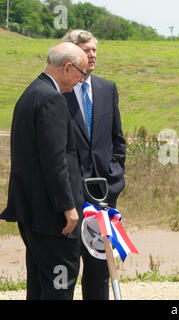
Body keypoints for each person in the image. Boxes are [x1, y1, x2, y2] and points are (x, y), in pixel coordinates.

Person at [0, 43, 88, 300]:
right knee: (60, 282)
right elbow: (55, 160)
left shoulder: (31, 93)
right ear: (68, 67)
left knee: (40, 283)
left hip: (32, 212)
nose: (81, 81)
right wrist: (67, 207)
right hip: (53, 218)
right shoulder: (52, 99)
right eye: (81, 74)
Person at [62, 29, 126, 300]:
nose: (91, 55)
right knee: (65, 269)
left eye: (94, 50)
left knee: (100, 269)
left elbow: (117, 140)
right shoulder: (57, 91)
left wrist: (114, 179)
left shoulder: (107, 88)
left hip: (103, 197)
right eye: (86, 50)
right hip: (68, 198)